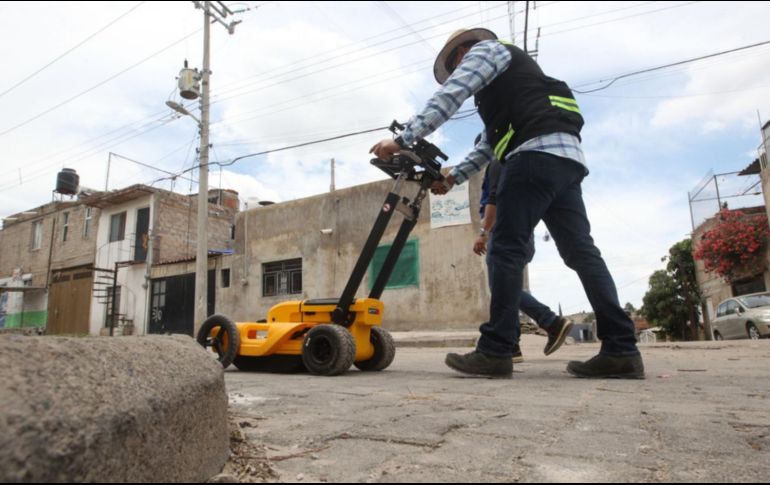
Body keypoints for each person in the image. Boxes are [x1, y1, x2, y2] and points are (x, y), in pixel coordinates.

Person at [370, 28, 644, 379]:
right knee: (581, 253)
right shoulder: (511, 90)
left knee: (505, 252)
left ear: (462, 52)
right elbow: (489, 145)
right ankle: (622, 349)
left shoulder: (486, 52)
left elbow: (451, 94)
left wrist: (403, 138)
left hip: (530, 158)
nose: (459, 70)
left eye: (457, 63)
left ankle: (497, 350)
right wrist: (452, 179)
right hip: (565, 161)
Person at [476, 156, 573, 364]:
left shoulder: (497, 163)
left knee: (503, 288)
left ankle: (551, 322)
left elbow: (494, 199)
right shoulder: (515, 164)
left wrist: (483, 233)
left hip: (504, 229)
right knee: (507, 288)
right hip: (522, 232)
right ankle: (512, 347)